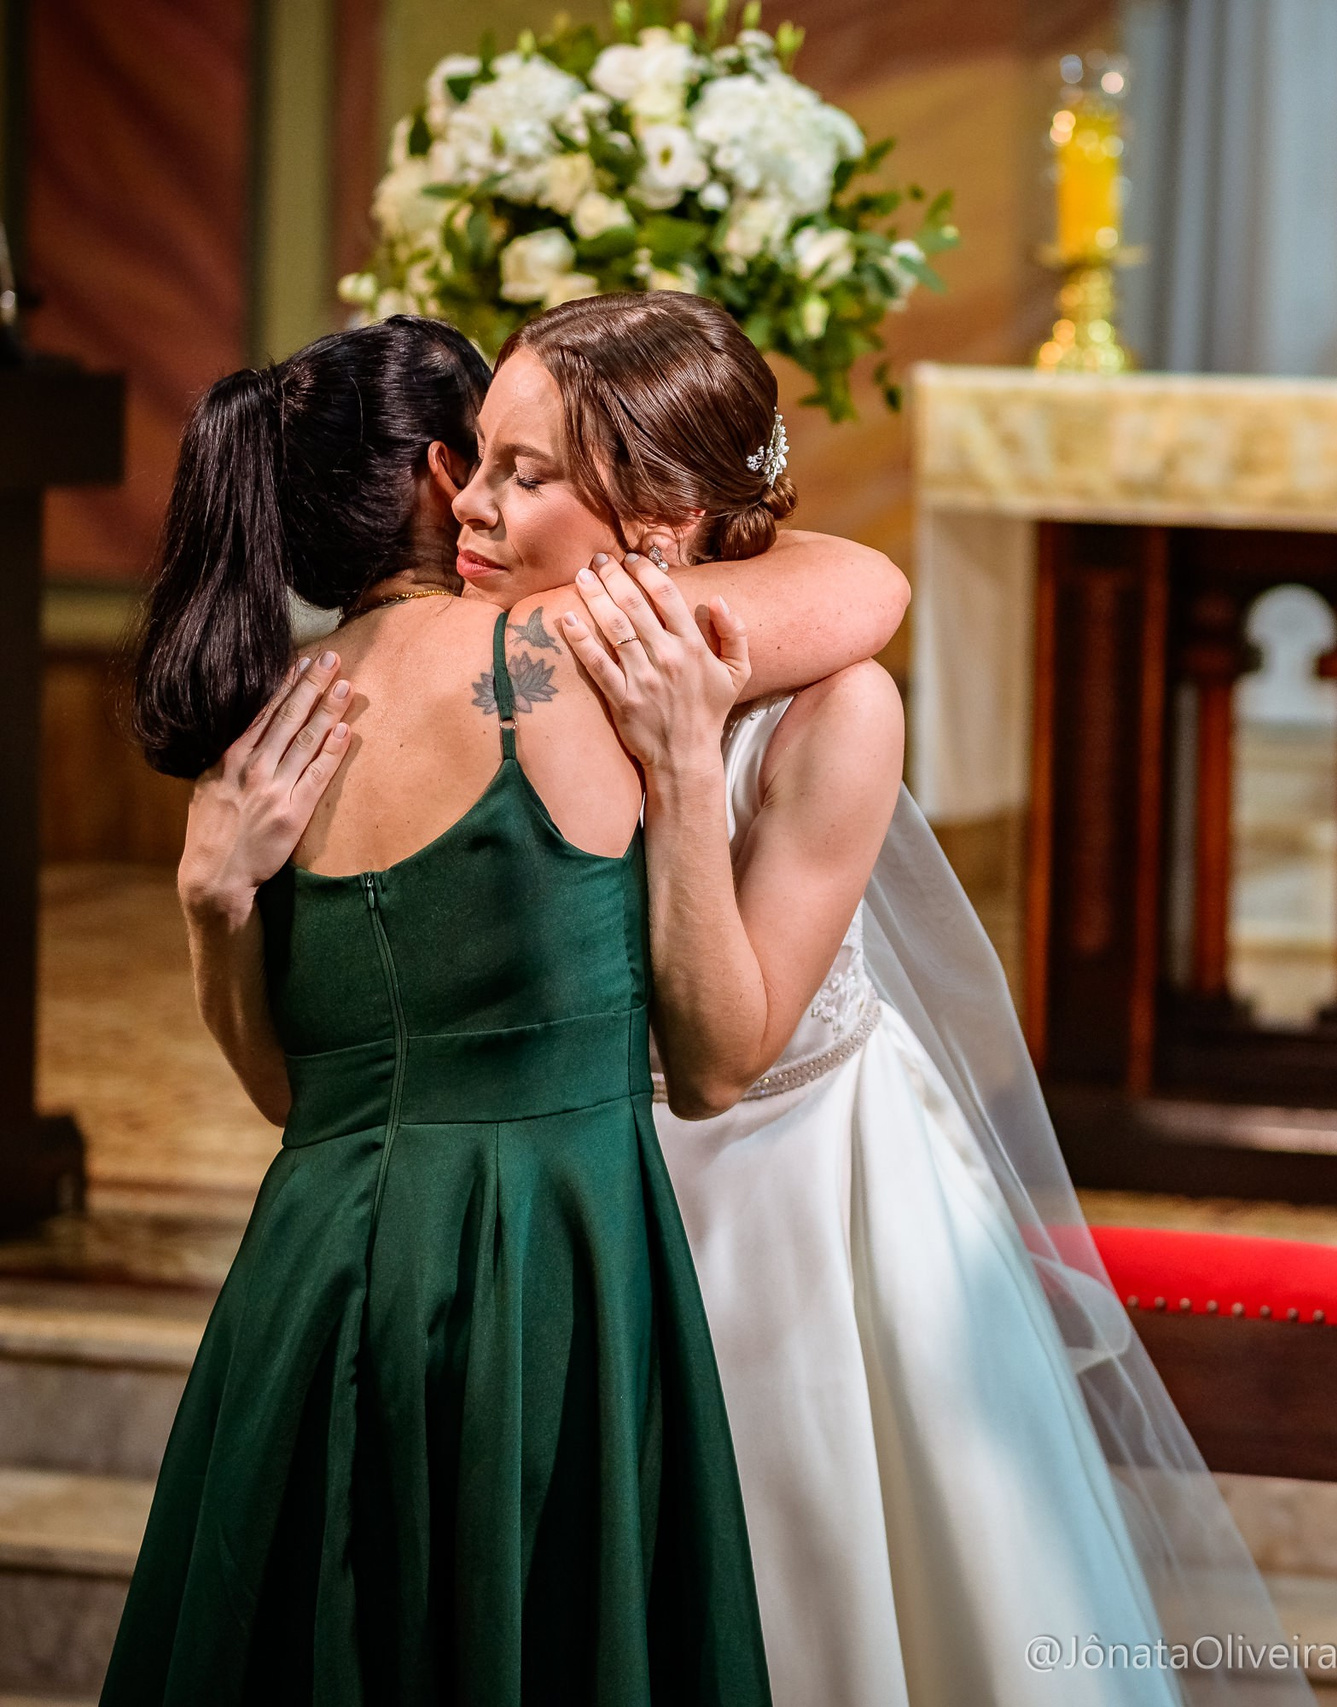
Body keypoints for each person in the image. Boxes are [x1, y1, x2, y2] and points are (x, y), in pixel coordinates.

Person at [193, 293, 1313, 1707]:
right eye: (477, 458)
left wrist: (678, 769)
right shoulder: (509, 673)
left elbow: (722, 1049)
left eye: (522, 474)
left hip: (790, 1212)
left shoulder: (829, 710)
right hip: (583, 1206)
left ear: (657, 522)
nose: (463, 510)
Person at [108, 314, 902, 1705]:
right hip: (541, 1250)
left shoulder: (268, 724)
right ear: (437, 473)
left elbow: (296, 1097)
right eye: (485, 461)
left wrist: (207, 907)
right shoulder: (563, 656)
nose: (488, 497)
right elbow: (859, 591)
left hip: (307, 1271)